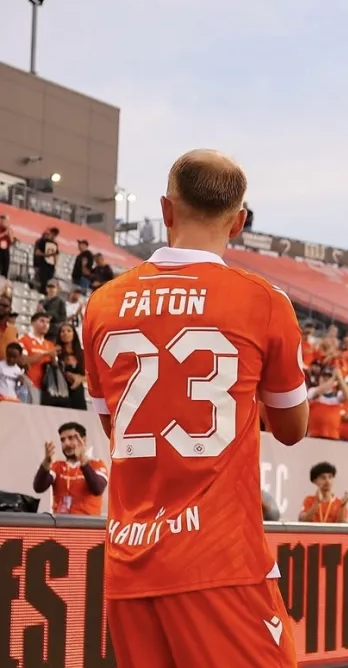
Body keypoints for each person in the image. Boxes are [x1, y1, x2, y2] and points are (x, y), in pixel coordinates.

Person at [82, 149, 309, 668]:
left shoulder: (102, 303)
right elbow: (293, 428)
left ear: (166, 210)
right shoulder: (263, 300)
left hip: (130, 563)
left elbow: (113, 423)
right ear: (239, 222)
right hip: (220, 563)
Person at [32, 422, 108, 515]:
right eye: (63, 440)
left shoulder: (97, 464)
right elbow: (39, 488)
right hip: (61, 522)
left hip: (87, 522)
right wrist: (46, 462)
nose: (66, 443)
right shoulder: (57, 465)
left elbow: (97, 489)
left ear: (83, 440)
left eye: (71, 438)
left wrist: (83, 461)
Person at [33, 227, 59, 293]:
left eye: (55, 234)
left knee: (49, 284)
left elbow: (56, 255)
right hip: (43, 266)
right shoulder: (42, 241)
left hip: (51, 267)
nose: (53, 235)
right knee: (43, 283)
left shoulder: (55, 244)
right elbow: (37, 253)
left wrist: (55, 263)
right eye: (52, 233)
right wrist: (46, 255)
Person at [0, 215, 15, 279]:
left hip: (5, 250)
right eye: (4, 221)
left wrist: (10, 235)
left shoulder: (9, 230)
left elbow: (12, 241)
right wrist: (4, 234)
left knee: (5, 268)